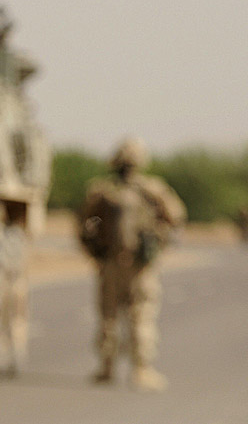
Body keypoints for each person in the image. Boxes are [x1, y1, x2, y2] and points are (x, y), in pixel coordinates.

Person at [78, 136, 186, 391]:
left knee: (109, 315)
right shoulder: (153, 189)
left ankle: (107, 368)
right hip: (141, 266)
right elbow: (176, 217)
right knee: (141, 314)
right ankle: (141, 369)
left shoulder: (103, 190)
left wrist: (96, 253)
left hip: (111, 263)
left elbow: (82, 225)